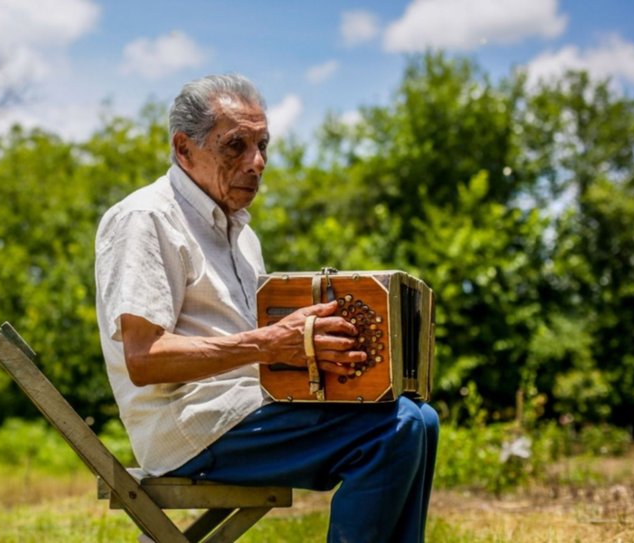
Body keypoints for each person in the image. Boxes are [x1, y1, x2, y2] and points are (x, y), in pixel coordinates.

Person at [95, 74, 439, 543]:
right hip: (189, 426)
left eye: (262, 145)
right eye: (236, 145)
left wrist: (325, 354)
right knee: (393, 429)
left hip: (248, 409)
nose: (256, 163)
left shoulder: (241, 234)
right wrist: (272, 343)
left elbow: (265, 354)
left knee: (422, 418)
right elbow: (144, 358)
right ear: (184, 148)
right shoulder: (145, 218)